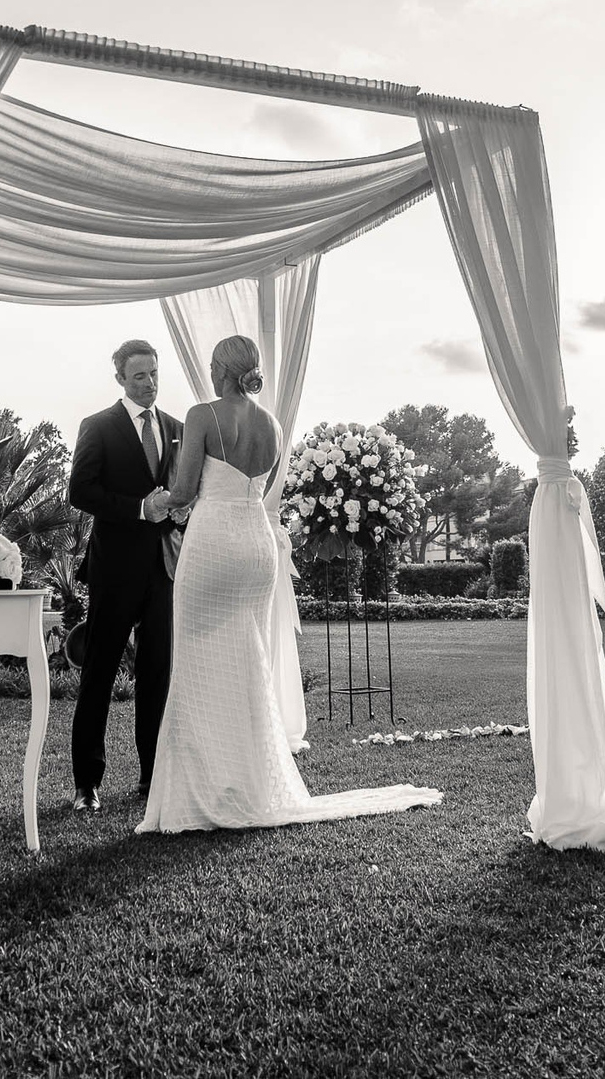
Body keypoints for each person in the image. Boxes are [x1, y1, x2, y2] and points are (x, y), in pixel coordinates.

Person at [138, 336, 441, 834]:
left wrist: (157, 502)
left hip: (213, 543)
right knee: (248, 661)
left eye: (214, 366)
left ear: (224, 371)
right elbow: (258, 489)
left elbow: (186, 491)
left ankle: (202, 792)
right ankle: (251, 781)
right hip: (256, 546)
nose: (210, 374)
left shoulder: (202, 415)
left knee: (196, 662)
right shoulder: (273, 425)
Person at [67, 339, 183, 811]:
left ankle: (152, 777)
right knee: (99, 674)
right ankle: (86, 783)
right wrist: (140, 509)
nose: (150, 383)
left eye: (154, 373)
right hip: (113, 570)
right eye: (139, 376)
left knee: (157, 675)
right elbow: (81, 491)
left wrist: (180, 510)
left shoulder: (177, 429)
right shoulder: (98, 426)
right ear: (120, 378)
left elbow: (181, 492)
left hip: (162, 570)